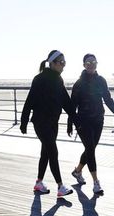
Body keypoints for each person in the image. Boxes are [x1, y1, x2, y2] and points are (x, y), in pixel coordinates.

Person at [20, 50, 78, 198]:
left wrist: (75, 119)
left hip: (53, 122)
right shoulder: (39, 79)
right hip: (40, 122)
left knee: (45, 153)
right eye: (61, 62)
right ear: (52, 63)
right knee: (53, 151)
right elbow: (30, 100)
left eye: (65, 62)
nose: (63, 65)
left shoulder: (58, 79)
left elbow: (66, 101)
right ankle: (60, 186)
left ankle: (39, 183)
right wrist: (24, 121)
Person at [67, 53, 114, 196]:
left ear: (97, 63)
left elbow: (107, 99)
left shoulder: (101, 81)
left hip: (98, 120)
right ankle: (96, 182)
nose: (91, 64)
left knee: (90, 149)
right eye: (88, 62)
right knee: (91, 149)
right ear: (84, 65)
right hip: (83, 121)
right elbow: (72, 106)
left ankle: (77, 171)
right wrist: (69, 124)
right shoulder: (78, 84)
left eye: (93, 62)